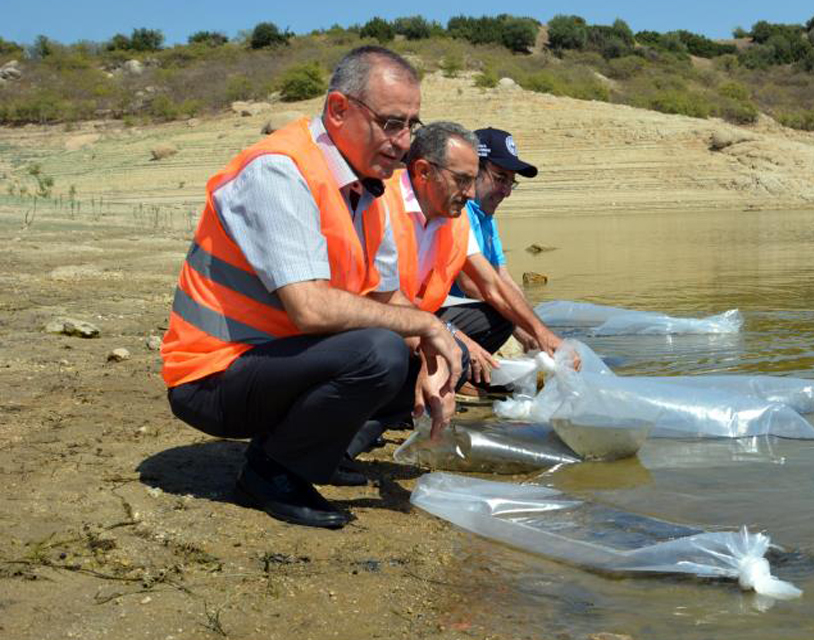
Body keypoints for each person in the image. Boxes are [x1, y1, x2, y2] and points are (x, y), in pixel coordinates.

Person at [161, 46, 462, 530]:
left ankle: (310, 449)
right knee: (380, 351)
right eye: (391, 124)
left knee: (424, 355)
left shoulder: (367, 189)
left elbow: (386, 297)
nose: (404, 142)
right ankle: (271, 473)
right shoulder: (279, 170)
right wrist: (427, 325)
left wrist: (436, 362)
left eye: (412, 125)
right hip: (211, 377)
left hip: (278, 362)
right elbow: (310, 309)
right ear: (339, 109)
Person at [383, 123, 563, 390]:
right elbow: (384, 298)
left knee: (497, 321)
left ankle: (442, 380)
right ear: (424, 172)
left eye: (511, 182)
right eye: (463, 179)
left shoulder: (457, 215)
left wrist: (541, 333)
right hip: (385, 317)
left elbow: (495, 283)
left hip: (422, 314)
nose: (469, 193)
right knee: (387, 350)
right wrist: (454, 337)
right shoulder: (385, 203)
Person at [449, 127, 545, 352]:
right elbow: (472, 284)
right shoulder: (457, 211)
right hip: (435, 312)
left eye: (511, 182)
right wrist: (522, 329)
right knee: (502, 318)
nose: (506, 191)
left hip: (460, 313)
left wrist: (539, 329)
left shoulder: (486, 217)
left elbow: (503, 277)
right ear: (473, 171)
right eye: (500, 178)